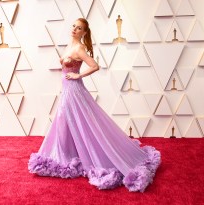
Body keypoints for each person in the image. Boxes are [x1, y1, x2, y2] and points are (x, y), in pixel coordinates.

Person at [28, 18, 161, 192]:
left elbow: (95, 66)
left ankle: (73, 156)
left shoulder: (80, 48)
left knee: (72, 122)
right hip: (67, 90)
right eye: (74, 26)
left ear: (84, 33)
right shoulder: (69, 47)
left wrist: (78, 76)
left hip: (73, 90)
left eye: (80, 28)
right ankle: (67, 156)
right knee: (66, 123)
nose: (75, 29)